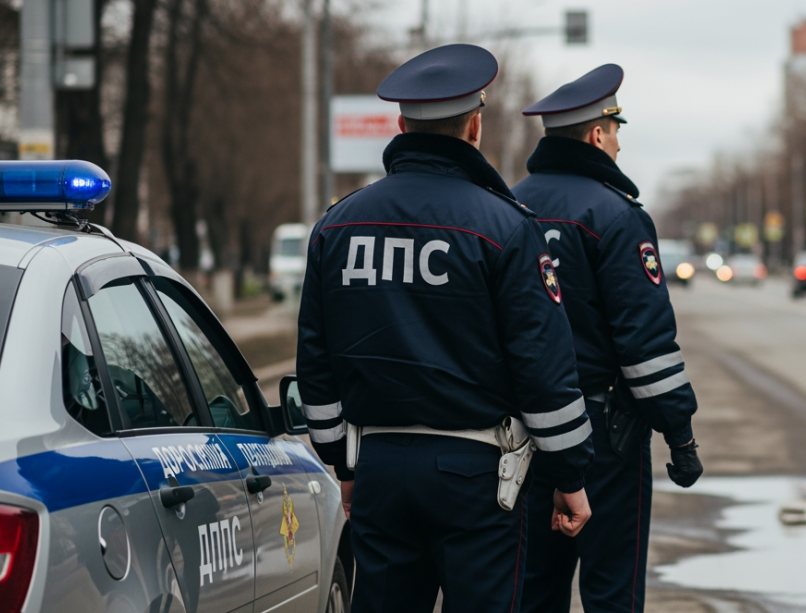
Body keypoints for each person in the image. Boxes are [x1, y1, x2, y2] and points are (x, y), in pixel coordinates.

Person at [296, 44, 595, 613]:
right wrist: (569, 474)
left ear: (401, 124)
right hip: (477, 478)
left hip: (378, 467)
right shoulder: (505, 228)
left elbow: (316, 359)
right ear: (475, 126)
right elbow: (542, 368)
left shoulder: (337, 226)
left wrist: (342, 462)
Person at [514, 64, 703, 613]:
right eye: (616, 131)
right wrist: (681, 435)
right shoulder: (615, 217)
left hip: (521, 437)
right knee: (610, 593)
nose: (619, 145)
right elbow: (646, 348)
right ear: (597, 135)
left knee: (529, 590)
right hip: (606, 440)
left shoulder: (505, 207)